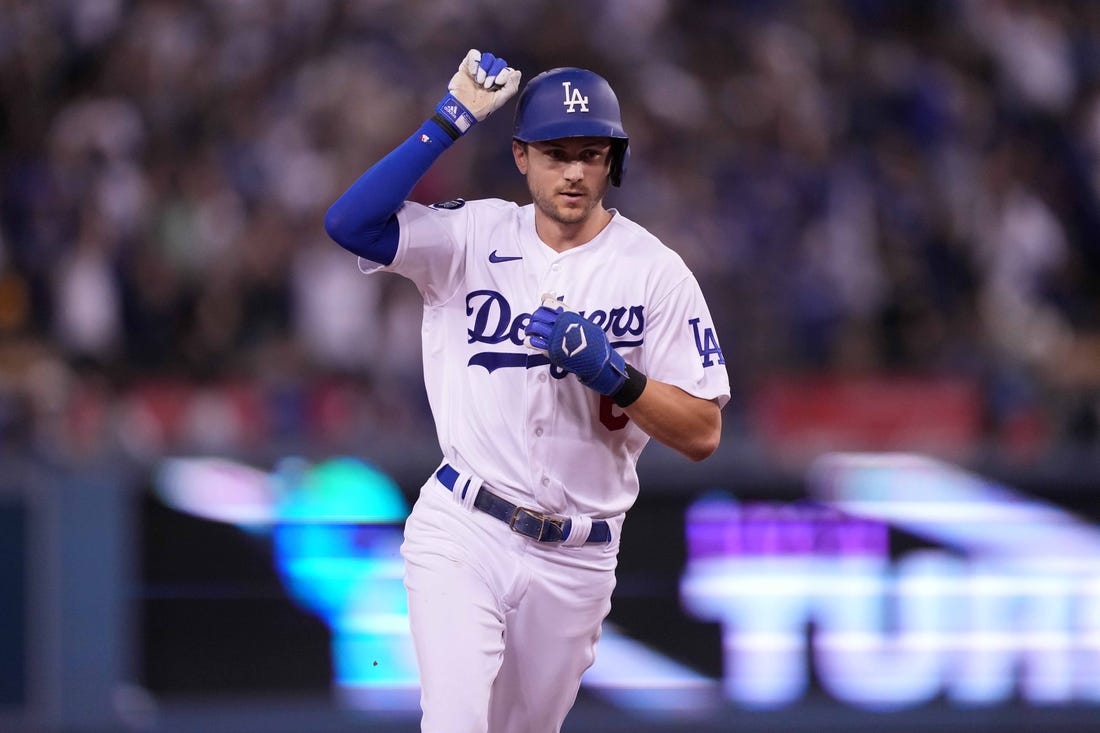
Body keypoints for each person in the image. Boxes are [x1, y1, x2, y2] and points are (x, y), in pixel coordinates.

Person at [324, 49, 730, 733]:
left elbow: (702, 433)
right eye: (555, 152)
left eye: (590, 153)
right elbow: (350, 224)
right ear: (521, 156)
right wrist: (447, 121)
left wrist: (616, 374)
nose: (574, 170)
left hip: (578, 556)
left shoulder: (655, 272)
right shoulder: (472, 234)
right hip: (466, 526)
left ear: (613, 160)